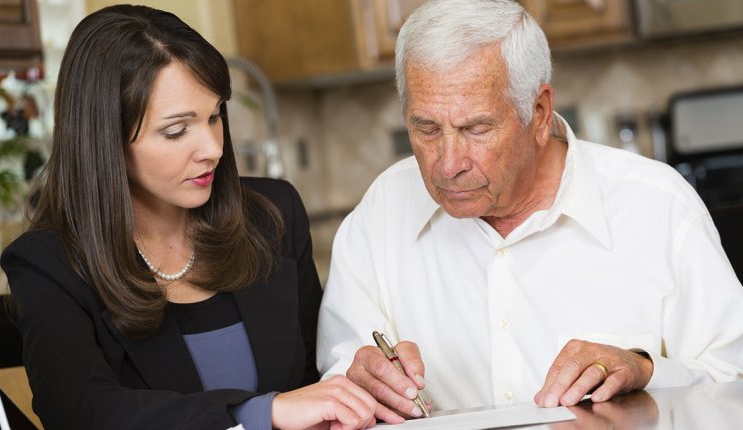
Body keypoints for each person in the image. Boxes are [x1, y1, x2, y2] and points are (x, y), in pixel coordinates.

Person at [317, 0, 743, 419]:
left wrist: (646, 371)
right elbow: (339, 385)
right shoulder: (382, 213)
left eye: (476, 128)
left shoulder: (656, 205)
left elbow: (733, 381)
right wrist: (359, 385)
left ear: (539, 113)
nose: (448, 164)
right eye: (426, 128)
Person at [0, 5, 380, 430]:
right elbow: (80, 413)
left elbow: (318, 375)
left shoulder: (272, 216)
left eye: (215, 116)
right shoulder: (47, 264)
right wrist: (258, 412)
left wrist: (356, 372)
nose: (213, 148)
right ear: (106, 140)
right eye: (177, 130)